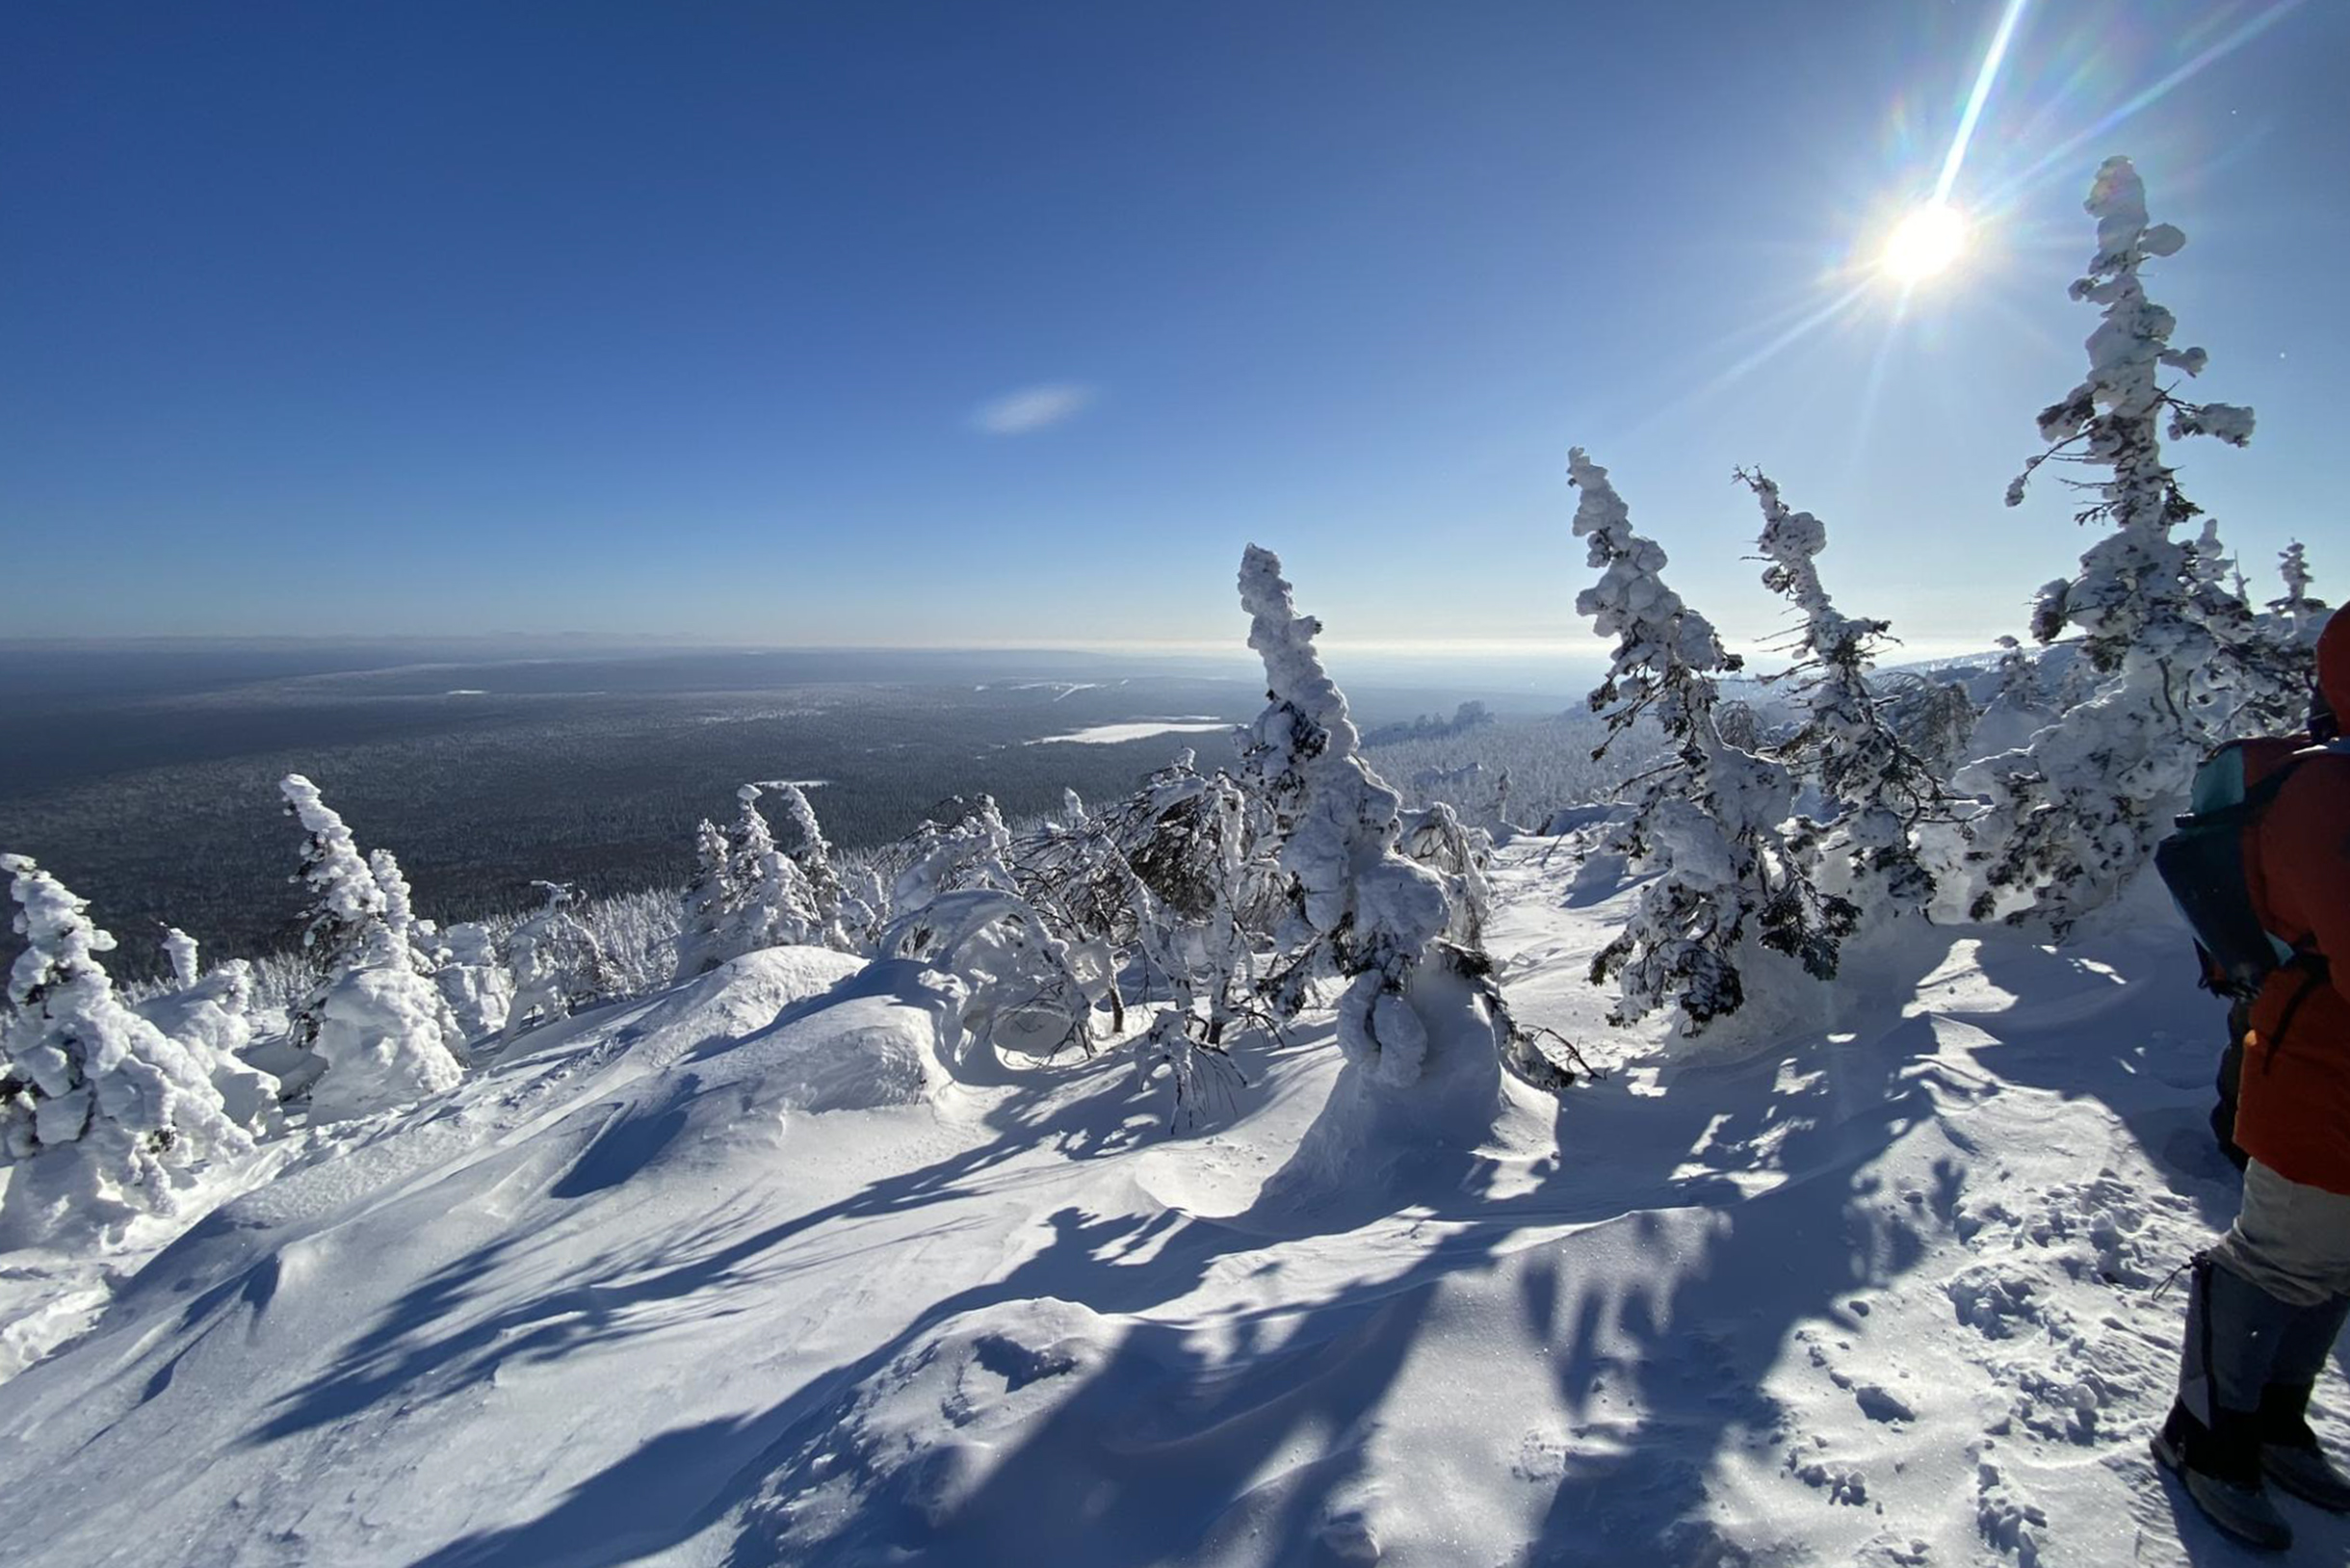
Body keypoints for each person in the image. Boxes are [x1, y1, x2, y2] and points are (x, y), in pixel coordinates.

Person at [2156, 610, 2350, 1551]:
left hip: (2325, 1064)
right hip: (2318, 1071)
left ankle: (2272, 1423)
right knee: (2278, 1255)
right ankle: (2203, 1434)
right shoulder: (2326, 794)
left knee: (2332, 1258)